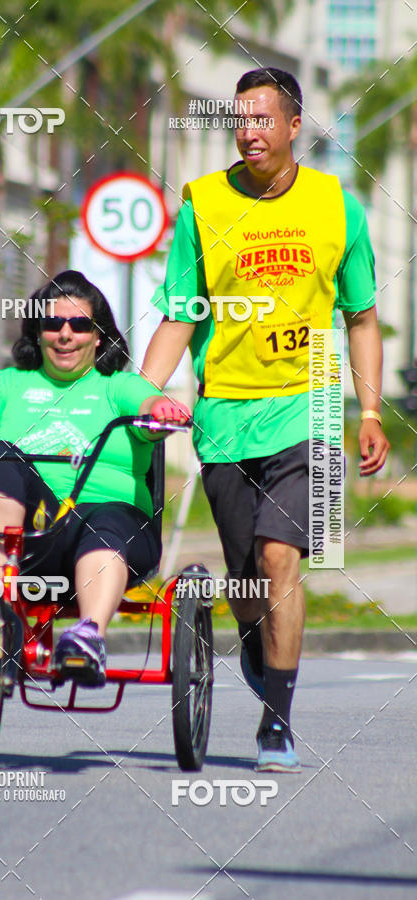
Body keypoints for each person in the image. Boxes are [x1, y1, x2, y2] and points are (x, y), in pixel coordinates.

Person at [142, 67, 390, 771]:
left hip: (306, 410)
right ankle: (255, 643)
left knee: (283, 557)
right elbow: (180, 315)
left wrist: (367, 409)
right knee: (247, 581)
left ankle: (276, 720)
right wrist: (136, 396)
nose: (248, 131)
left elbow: (362, 317)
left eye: (261, 119)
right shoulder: (203, 205)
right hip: (224, 416)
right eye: (238, 119)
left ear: (292, 127)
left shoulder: (336, 207)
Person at [0, 269, 190, 688]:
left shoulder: (118, 387)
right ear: (38, 332)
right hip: (34, 538)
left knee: (103, 522)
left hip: (115, 530)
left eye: (80, 324)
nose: (65, 334)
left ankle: (88, 637)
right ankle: (1, 606)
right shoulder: (9, 386)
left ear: (98, 335)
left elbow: (150, 401)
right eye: (53, 324)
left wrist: (161, 409)